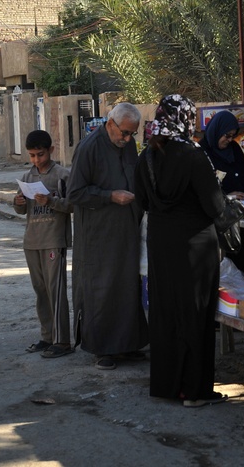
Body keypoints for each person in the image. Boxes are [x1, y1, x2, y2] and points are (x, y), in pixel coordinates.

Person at [134, 94, 227, 407]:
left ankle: (168, 385)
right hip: (195, 245)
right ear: (186, 119)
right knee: (196, 314)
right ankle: (195, 390)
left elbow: (141, 201)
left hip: (160, 242)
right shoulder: (193, 155)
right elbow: (214, 205)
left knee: (165, 312)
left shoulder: (146, 155)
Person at [68, 103, 149, 370]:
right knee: (101, 289)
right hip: (99, 233)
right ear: (110, 123)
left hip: (126, 229)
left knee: (127, 287)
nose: (127, 139)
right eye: (124, 133)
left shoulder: (128, 146)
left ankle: (127, 345)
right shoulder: (89, 147)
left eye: (132, 135)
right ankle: (102, 349)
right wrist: (109, 196)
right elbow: (75, 194)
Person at [14, 130, 73, 359]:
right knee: (40, 291)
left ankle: (62, 341)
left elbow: (73, 206)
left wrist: (51, 201)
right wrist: (17, 201)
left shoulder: (62, 175)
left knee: (55, 291)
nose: (37, 160)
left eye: (40, 154)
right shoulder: (27, 177)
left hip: (53, 240)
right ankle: (46, 336)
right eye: (32, 156)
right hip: (32, 241)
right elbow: (21, 209)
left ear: (51, 150)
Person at [198, 110, 244, 277]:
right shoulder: (202, 152)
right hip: (220, 222)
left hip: (241, 215)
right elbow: (202, 187)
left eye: (233, 136)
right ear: (217, 130)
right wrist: (227, 195)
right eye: (226, 135)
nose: (229, 139)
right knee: (228, 271)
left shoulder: (234, 148)